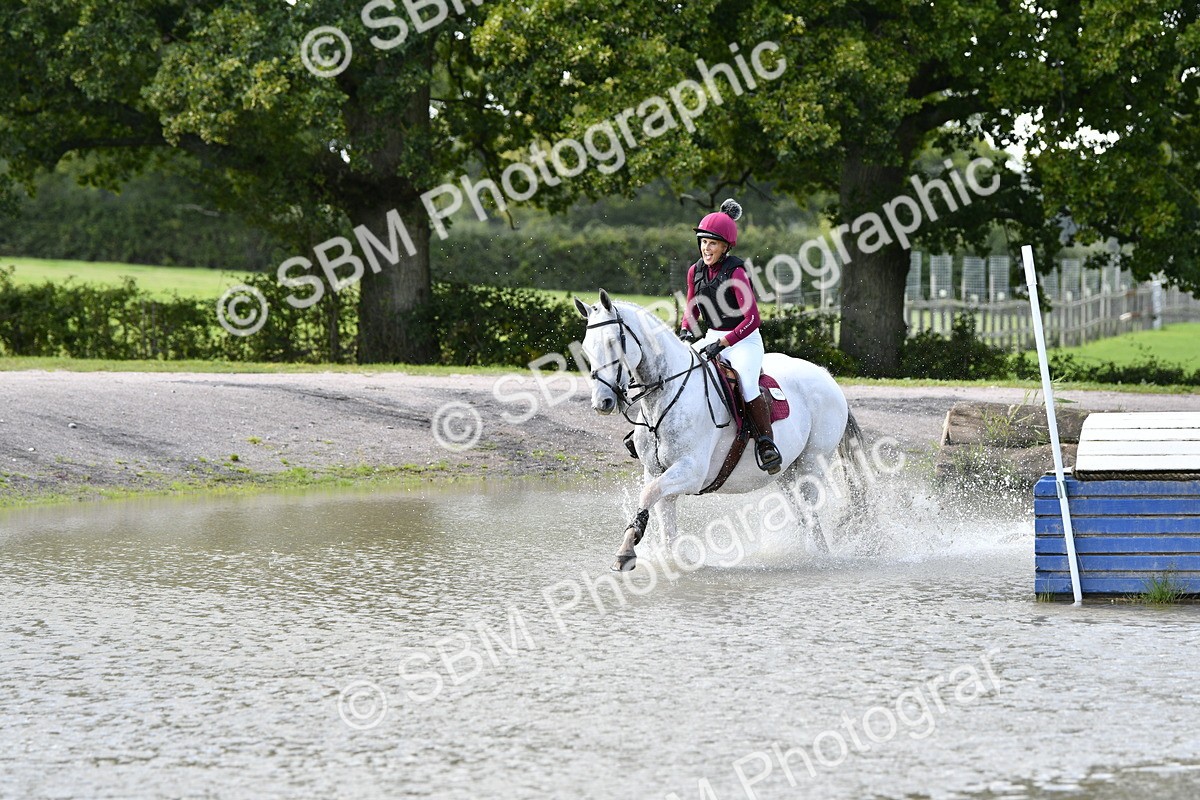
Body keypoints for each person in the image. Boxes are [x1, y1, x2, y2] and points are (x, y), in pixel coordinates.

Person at [679, 198, 782, 474]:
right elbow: (691, 308)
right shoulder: (695, 271)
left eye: (712, 243)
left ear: (726, 246)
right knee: (682, 372)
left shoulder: (736, 272)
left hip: (744, 341)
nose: (706, 248)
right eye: (703, 242)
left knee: (747, 384)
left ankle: (766, 443)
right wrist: (686, 331)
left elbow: (753, 319)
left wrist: (723, 343)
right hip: (712, 337)